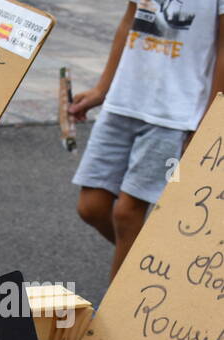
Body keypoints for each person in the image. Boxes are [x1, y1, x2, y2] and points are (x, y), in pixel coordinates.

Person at [70, 1, 224, 279]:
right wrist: (101, 89)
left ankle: (114, 316)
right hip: (122, 104)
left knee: (127, 214)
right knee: (91, 207)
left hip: (175, 115)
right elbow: (129, 22)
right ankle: (155, 268)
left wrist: (209, 122)